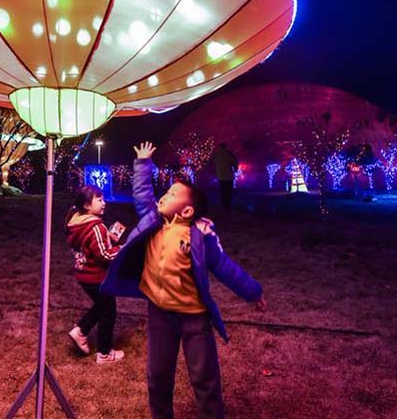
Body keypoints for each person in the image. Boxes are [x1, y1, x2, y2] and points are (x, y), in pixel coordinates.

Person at [102, 142, 267, 418]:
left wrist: (253, 291)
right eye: (166, 192)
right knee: (158, 376)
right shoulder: (153, 222)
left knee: (205, 379)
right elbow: (142, 195)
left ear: (187, 211)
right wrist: (143, 163)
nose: (164, 196)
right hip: (159, 315)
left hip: (194, 319)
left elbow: (226, 267)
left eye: (172, 194)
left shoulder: (201, 237)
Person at [65, 185, 125, 364]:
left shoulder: (75, 222)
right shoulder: (95, 227)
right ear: (86, 205)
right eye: (99, 199)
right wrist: (123, 249)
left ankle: (81, 331)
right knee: (109, 311)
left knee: (101, 306)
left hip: (84, 274)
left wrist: (109, 238)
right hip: (97, 276)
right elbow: (104, 255)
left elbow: (91, 245)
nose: (104, 203)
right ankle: (105, 354)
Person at [213, 143, 238, 210]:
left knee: (223, 191)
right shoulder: (229, 154)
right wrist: (235, 169)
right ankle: (228, 205)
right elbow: (235, 162)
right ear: (225, 147)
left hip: (220, 176)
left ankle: (224, 205)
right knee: (228, 191)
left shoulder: (216, 155)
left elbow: (213, 163)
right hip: (229, 176)